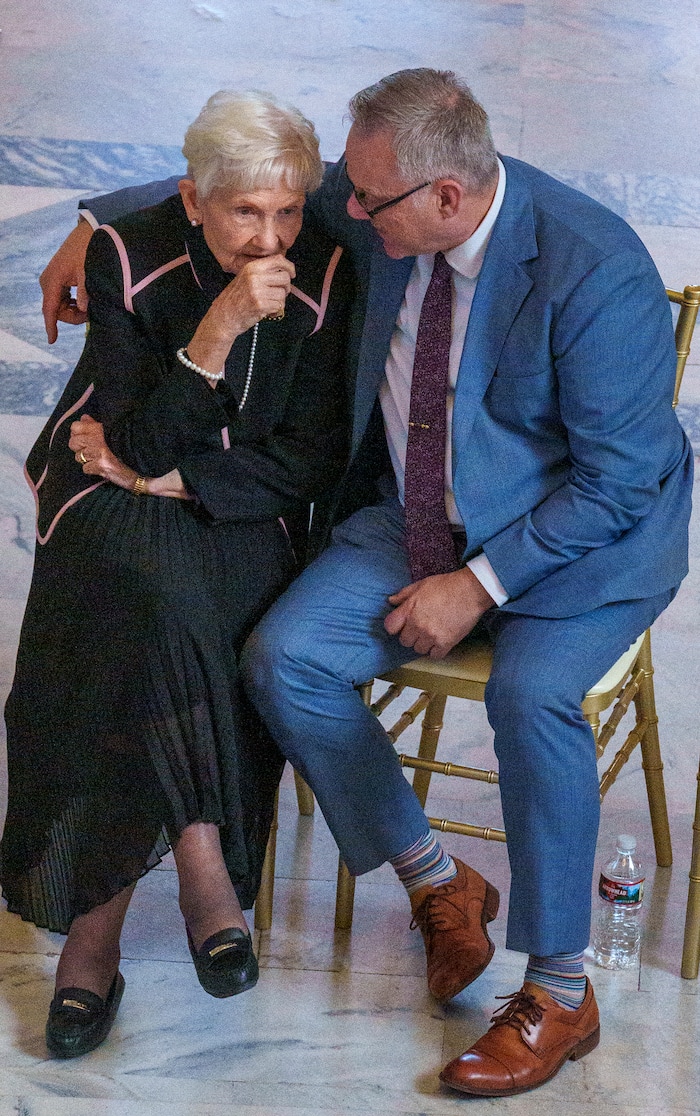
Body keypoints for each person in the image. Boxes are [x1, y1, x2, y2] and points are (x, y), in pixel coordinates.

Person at [36, 69, 692, 1096]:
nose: (337, 215)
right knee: (286, 659)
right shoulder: (390, 198)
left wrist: (475, 585)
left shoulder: (592, 268)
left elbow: (619, 483)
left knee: (529, 696)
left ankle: (561, 992)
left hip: (580, 546)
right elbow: (244, 181)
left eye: (365, 201)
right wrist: (89, 224)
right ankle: (439, 885)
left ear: (443, 197)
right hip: (418, 511)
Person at [0, 89, 352, 1059]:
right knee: (136, 599)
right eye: (246, 212)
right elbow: (131, 432)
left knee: (152, 614)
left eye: (287, 211)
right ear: (195, 201)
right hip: (109, 492)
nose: (270, 235)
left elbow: (308, 458)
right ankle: (204, 853)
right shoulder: (127, 254)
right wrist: (217, 333)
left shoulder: (325, 261)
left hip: (239, 505)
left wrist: (176, 477)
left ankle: (92, 935)